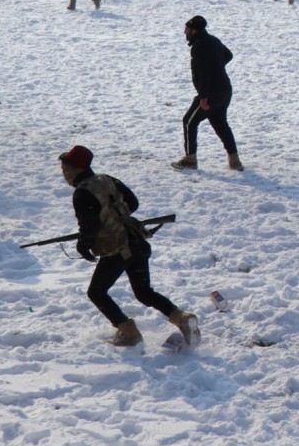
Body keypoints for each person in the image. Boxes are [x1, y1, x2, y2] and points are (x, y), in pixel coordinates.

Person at [58, 145, 200, 348]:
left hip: (117, 249)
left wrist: (83, 246)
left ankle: (129, 331)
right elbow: (132, 203)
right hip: (136, 241)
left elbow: (89, 225)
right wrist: (115, 216)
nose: (64, 173)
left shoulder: (82, 193)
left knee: (96, 293)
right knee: (143, 292)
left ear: (76, 168)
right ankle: (181, 318)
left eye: (65, 168)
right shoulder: (107, 179)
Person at [172, 16, 240, 172]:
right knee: (220, 123)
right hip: (225, 90)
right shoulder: (213, 40)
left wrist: (203, 97)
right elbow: (228, 55)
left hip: (211, 93)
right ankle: (235, 160)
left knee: (189, 121)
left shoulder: (199, 46)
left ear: (194, 30)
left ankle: (190, 159)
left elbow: (204, 74)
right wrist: (218, 67)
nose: (184, 32)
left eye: (187, 29)